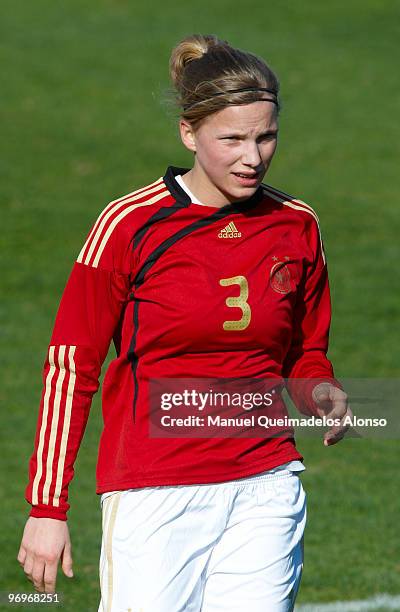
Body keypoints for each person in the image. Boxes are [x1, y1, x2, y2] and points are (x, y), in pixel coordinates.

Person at [18, 33, 351, 611]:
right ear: (189, 133)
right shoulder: (129, 226)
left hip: (265, 483)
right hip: (156, 489)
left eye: (266, 136)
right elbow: (72, 367)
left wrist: (320, 389)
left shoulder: (296, 225)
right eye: (233, 139)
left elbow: (304, 349)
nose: (254, 157)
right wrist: (48, 508)